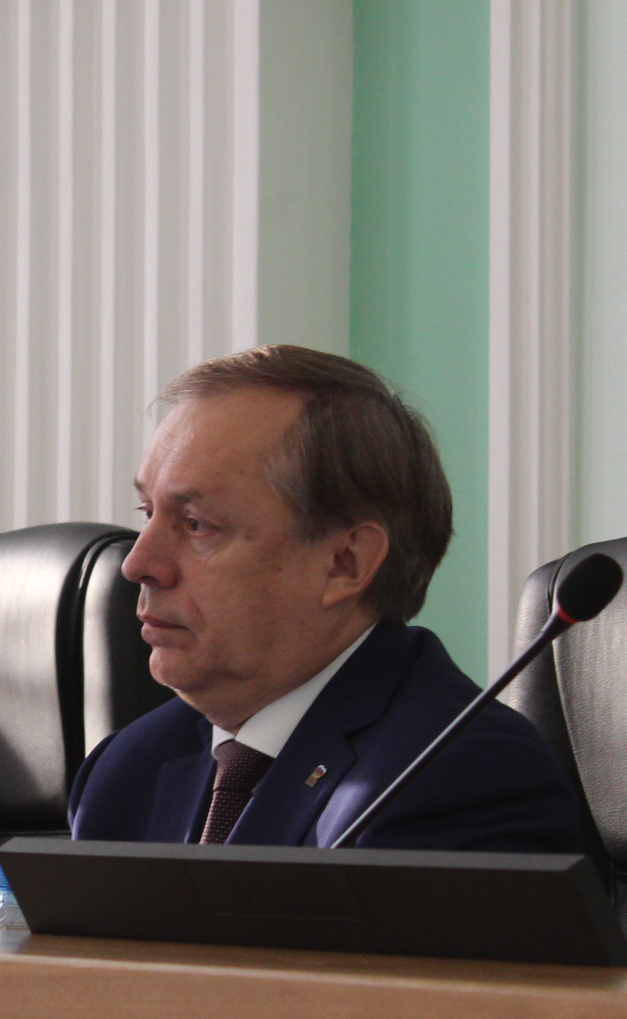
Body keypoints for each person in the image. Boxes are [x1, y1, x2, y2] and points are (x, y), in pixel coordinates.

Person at [68, 344, 592, 852]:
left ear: (345, 564)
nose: (138, 563)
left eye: (197, 524)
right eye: (147, 513)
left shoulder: (457, 774)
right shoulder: (127, 770)